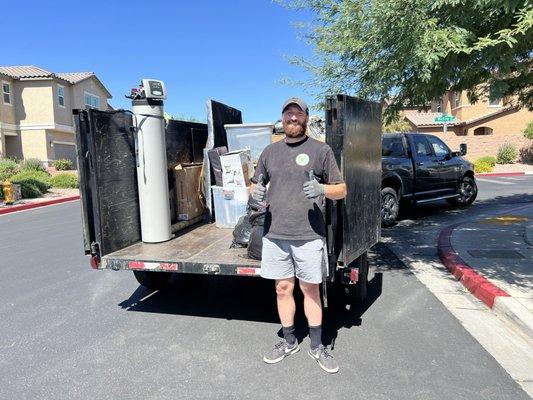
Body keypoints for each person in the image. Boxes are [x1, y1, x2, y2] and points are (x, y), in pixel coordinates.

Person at [249, 97, 347, 374]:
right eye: (288, 114)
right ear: (282, 118)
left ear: (306, 117)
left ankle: (317, 346)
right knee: (282, 288)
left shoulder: (321, 150)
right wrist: (254, 193)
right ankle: (289, 340)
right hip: (275, 234)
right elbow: (255, 186)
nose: (293, 118)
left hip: (308, 234)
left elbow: (342, 189)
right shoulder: (269, 152)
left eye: (298, 114)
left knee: (310, 289)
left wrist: (322, 190)